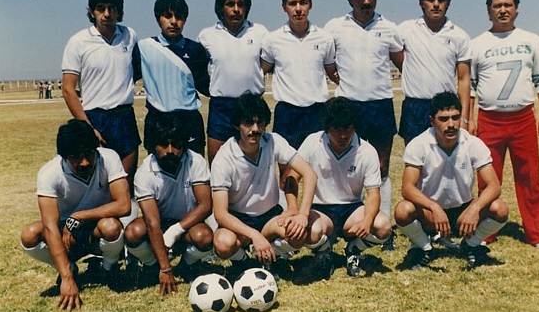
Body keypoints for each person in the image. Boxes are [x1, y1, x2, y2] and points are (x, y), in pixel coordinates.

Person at [468, 0, 539, 249]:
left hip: (522, 118)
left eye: (508, 5)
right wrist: (469, 119)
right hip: (489, 119)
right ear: (488, 11)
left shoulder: (531, 40)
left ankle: (536, 233)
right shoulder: (477, 44)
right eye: (497, 6)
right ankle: (486, 231)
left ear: (517, 8)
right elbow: (470, 87)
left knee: (529, 177)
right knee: (487, 178)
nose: (503, 10)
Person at [20, 120, 131, 312]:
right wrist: (67, 278)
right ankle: (69, 268)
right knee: (29, 234)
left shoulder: (109, 157)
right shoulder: (49, 173)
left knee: (111, 227)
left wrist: (79, 216)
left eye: (89, 153)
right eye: (76, 157)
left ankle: (109, 268)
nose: (85, 162)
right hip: (66, 233)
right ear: (63, 157)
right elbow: (50, 227)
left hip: (97, 226)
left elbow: (124, 205)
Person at [324, 0, 400, 249]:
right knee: (345, 167)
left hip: (380, 105)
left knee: (381, 168)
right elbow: (329, 64)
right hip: (348, 108)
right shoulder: (334, 27)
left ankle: (384, 226)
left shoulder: (389, 28)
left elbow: (402, 62)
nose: (366, 2)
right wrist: (345, 82)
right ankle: (343, 221)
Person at [210, 93, 322, 279]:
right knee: (223, 244)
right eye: (248, 123)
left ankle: (270, 256)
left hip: (270, 217)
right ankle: (245, 262)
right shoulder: (224, 158)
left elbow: (309, 174)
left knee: (299, 235)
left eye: (260, 123)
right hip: (240, 222)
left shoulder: (273, 141)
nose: (255, 129)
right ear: (237, 125)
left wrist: (301, 213)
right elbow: (221, 214)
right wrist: (254, 235)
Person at [394, 91, 509, 269]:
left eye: (455, 117)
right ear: (432, 121)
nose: (451, 125)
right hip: (430, 214)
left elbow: (494, 186)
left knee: (500, 209)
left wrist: (475, 208)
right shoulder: (419, 144)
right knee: (403, 210)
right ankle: (424, 247)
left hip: (463, 210)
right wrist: (434, 207)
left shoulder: (472, 143)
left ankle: (470, 245)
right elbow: (407, 188)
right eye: (443, 119)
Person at [293, 97, 392, 278]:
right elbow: (293, 177)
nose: (343, 135)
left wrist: (367, 220)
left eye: (348, 128)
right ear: (326, 128)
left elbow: (373, 194)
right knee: (308, 233)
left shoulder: (366, 151)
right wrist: (294, 211)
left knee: (383, 227)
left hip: (351, 210)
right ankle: (325, 251)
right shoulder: (312, 142)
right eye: (336, 129)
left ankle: (353, 250)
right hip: (320, 210)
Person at [61, 0, 141, 197]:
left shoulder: (130, 35)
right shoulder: (78, 42)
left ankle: (126, 215)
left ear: (119, 11)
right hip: (94, 117)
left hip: (124, 116)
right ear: (91, 11)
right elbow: (68, 90)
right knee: (98, 183)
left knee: (126, 180)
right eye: (100, 8)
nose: (107, 14)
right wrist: (88, 128)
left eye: (112, 8)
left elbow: (135, 71)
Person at [124, 115, 213, 297]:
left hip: (187, 224)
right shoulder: (144, 173)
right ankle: (152, 265)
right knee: (133, 233)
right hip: (159, 224)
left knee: (204, 236)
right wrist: (165, 268)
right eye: (164, 144)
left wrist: (174, 231)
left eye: (176, 144)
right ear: (153, 145)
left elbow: (205, 205)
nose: (170, 150)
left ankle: (186, 265)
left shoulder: (195, 161)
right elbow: (152, 223)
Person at [260, 0, 338, 151]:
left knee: (318, 163)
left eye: (303, 2)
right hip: (287, 113)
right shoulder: (272, 40)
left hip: (317, 112)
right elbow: (260, 72)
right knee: (286, 165)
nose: (298, 9)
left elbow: (333, 73)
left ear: (311, 5)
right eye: (292, 3)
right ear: (283, 7)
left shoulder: (325, 38)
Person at [198, 0, 268, 164]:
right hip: (221, 108)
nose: (236, 9)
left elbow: (268, 64)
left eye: (241, 4)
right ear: (221, 7)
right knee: (217, 164)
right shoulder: (206, 36)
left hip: (252, 106)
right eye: (230, 4)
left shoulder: (260, 33)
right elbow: (200, 73)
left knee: (252, 164)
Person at [395, 0, 471, 146]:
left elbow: (463, 79)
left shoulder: (459, 36)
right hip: (414, 107)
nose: (436, 4)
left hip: (446, 108)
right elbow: (397, 56)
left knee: (446, 157)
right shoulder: (405, 30)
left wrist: (464, 118)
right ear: (421, 2)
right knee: (415, 156)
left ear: (448, 3)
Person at [133, 0, 210, 156]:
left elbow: (206, 85)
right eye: (168, 16)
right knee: (158, 170)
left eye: (179, 17)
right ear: (158, 18)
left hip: (189, 119)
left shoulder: (195, 49)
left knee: (194, 168)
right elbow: (126, 79)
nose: (174, 22)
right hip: (157, 120)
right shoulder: (144, 48)